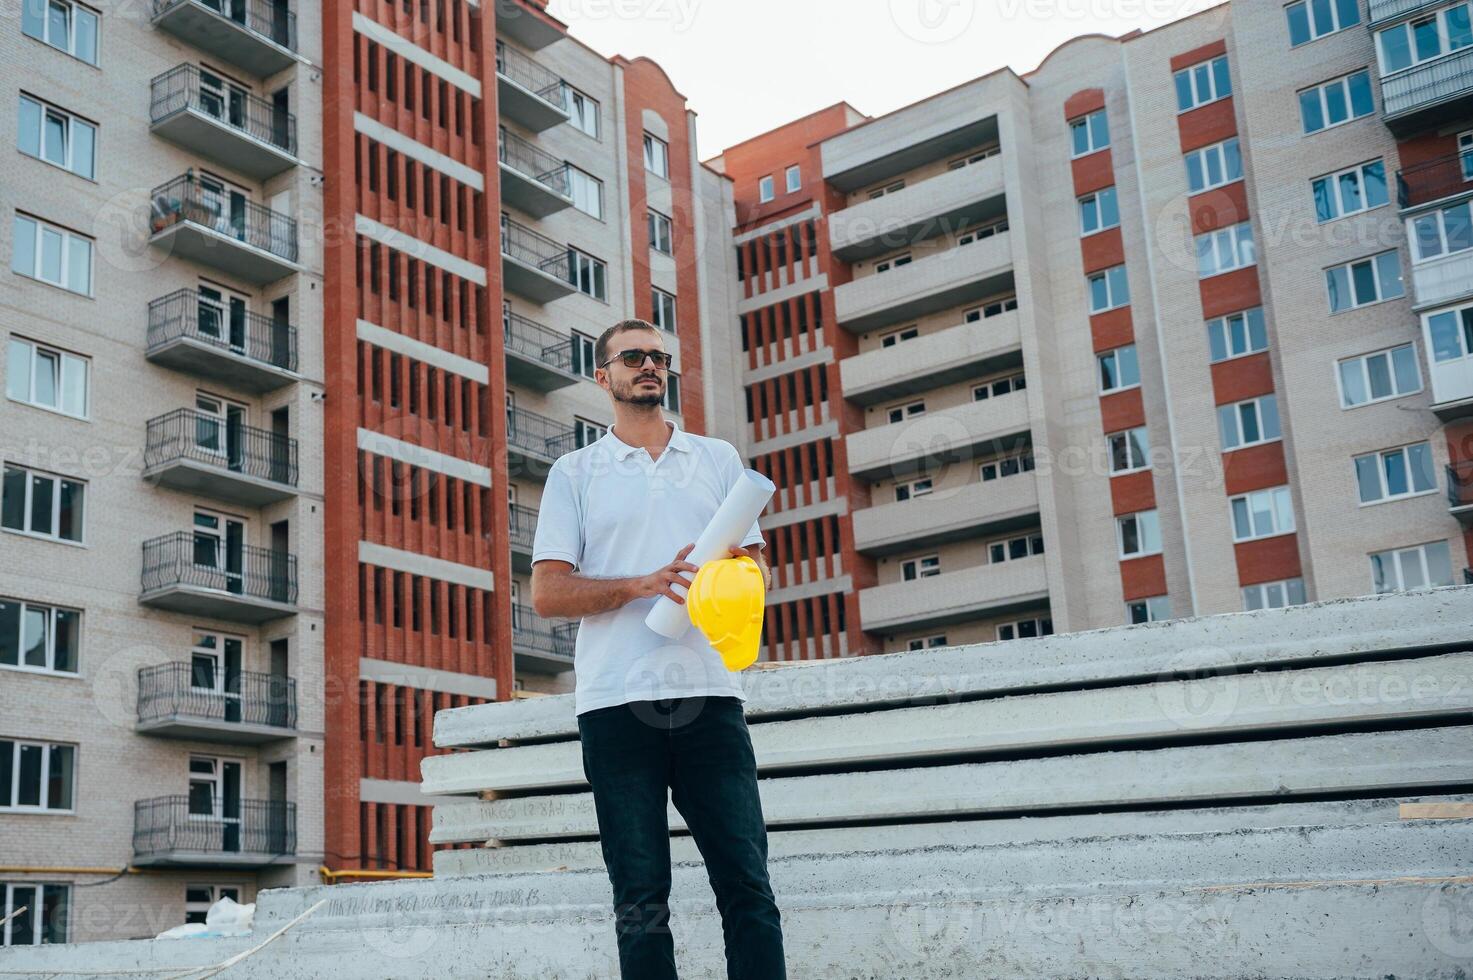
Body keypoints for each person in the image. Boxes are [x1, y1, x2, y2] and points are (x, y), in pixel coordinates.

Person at [529, 319, 788, 979]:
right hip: (617, 702)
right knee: (639, 896)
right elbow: (548, 595)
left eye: (659, 357)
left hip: (708, 694)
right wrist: (641, 585)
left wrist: (724, 575)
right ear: (603, 375)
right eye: (634, 356)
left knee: (747, 884)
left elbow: (758, 569)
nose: (650, 366)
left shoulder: (716, 460)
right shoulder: (575, 472)